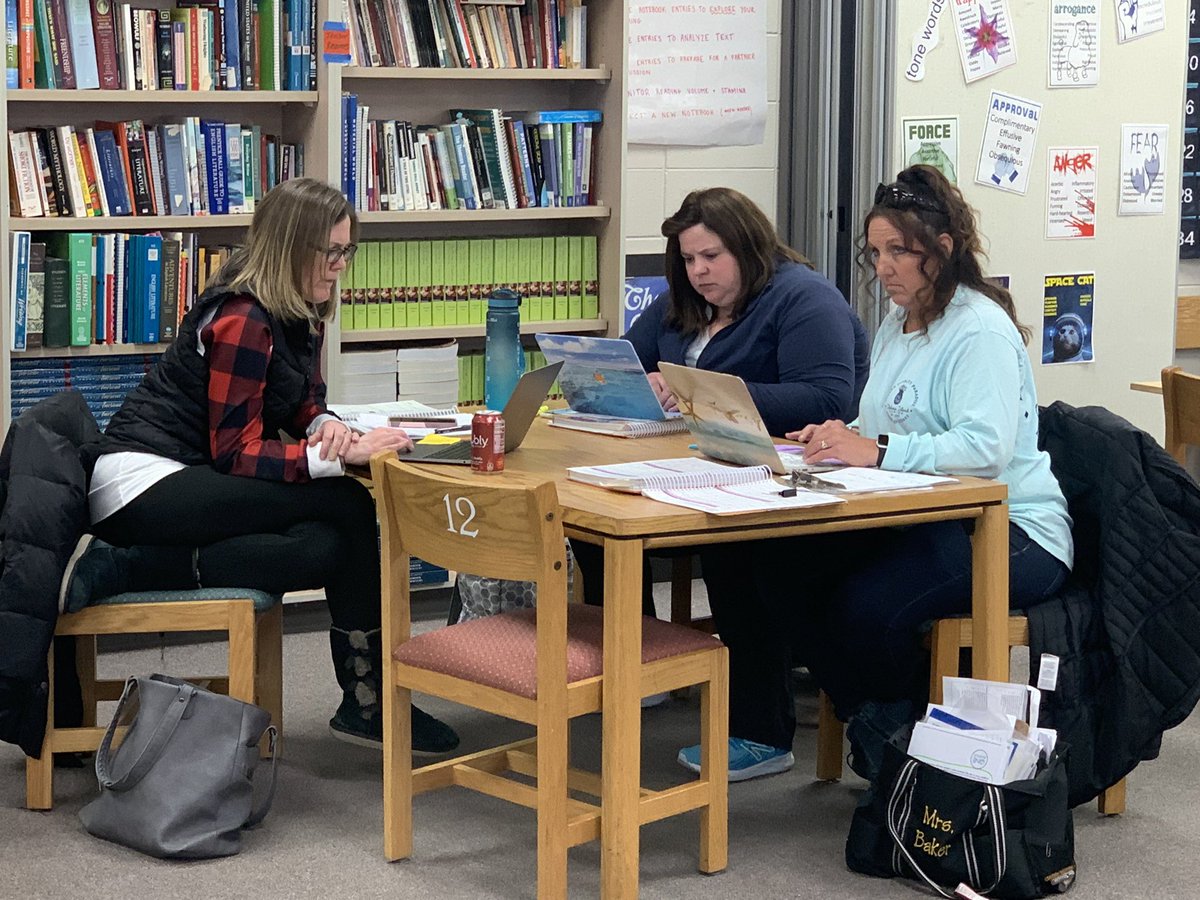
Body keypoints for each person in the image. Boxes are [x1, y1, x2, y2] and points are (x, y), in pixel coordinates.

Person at [680, 165, 1073, 783]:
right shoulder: (899, 322)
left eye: (899, 252)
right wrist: (834, 438)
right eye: (876, 252)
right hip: (923, 514)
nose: (884, 267)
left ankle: (912, 746)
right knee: (776, 566)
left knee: (870, 607)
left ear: (943, 250)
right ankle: (888, 733)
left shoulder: (979, 330)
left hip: (1012, 532)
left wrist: (877, 450)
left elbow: (985, 450)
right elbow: (875, 417)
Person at [70, 178, 459, 755]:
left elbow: (297, 395)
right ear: (290, 249)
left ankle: (365, 698)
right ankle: (368, 700)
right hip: (140, 480)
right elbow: (236, 451)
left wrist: (321, 423)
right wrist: (334, 456)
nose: (338, 266)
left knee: (327, 546)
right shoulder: (245, 317)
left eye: (346, 251)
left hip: (188, 476)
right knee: (347, 501)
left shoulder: (299, 308)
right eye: (330, 252)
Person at [572, 187, 870, 719]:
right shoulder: (681, 302)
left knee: (733, 546)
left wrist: (697, 391)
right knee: (591, 521)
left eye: (712, 256)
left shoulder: (803, 297)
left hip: (773, 479)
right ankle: (641, 668)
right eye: (688, 259)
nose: (699, 271)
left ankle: (759, 723)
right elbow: (625, 365)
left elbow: (827, 397)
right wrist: (636, 381)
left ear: (749, 246)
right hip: (692, 465)